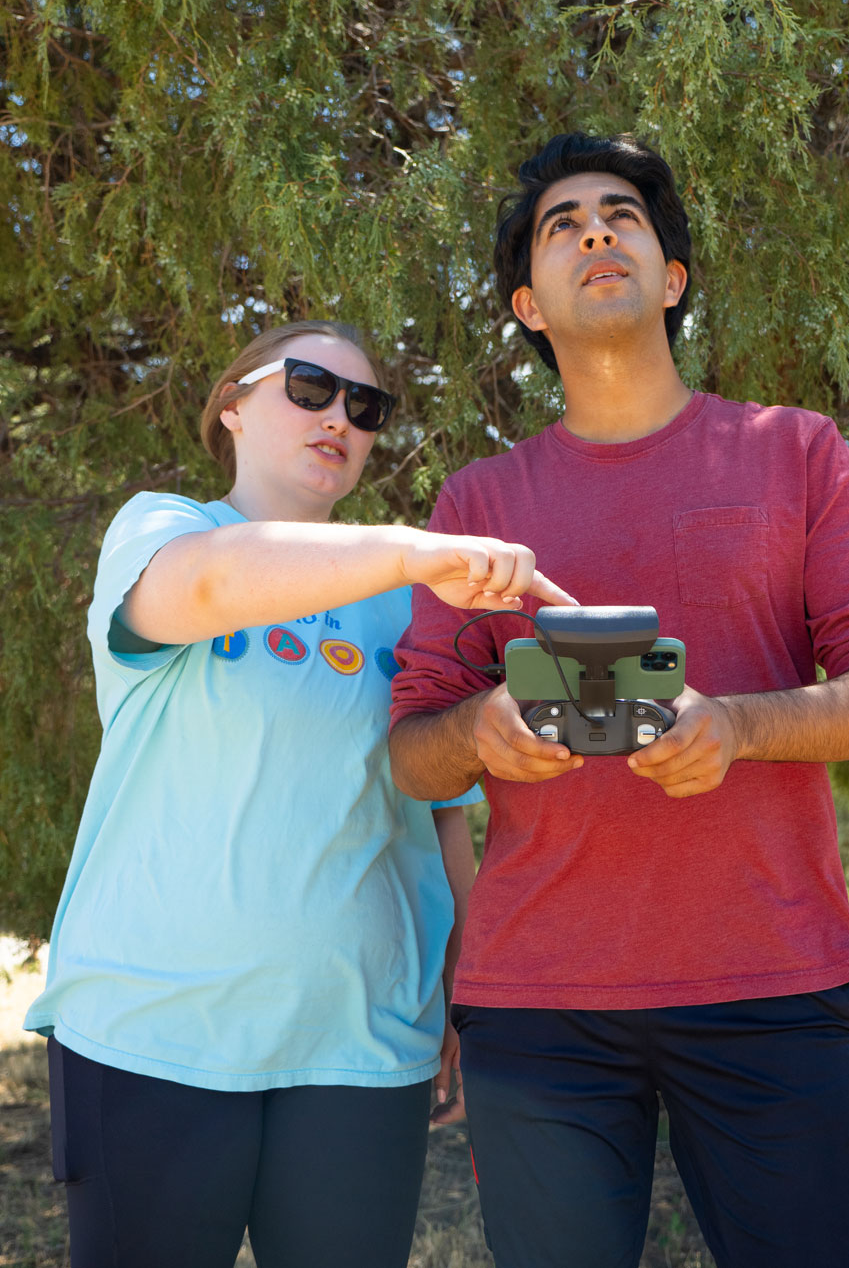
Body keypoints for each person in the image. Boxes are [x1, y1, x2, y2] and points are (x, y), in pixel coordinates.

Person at [388, 133, 849, 1268]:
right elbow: (410, 755)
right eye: (562, 222)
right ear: (529, 306)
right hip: (538, 1005)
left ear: (670, 278)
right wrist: (479, 732)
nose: (595, 229)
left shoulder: (799, 454)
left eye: (621, 214)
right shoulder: (477, 504)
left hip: (774, 977)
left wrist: (736, 727)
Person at [24, 318, 573, 1268]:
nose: (341, 419)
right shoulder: (164, 529)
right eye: (311, 387)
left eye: (366, 407)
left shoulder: (412, 604)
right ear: (232, 407)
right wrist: (415, 549)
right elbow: (203, 589)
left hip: (359, 1046)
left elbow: (443, 811)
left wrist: (464, 986)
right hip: (150, 1035)